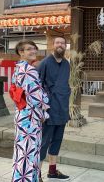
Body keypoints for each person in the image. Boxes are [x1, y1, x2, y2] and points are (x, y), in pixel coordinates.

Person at [11, 40, 49, 182]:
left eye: (34, 48)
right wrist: (45, 110)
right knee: (29, 152)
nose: (33, 51)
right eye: (28, 49)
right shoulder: (28, 69)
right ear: (21, 52)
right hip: (30, 116)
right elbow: (36, 95)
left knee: (22, 152)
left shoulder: (19, 67)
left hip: (22, 113)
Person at [37, 36, 71, 181]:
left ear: (65, 46)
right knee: (44, 142)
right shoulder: (44, 63)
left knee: (57, 140)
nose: (60, 45)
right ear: (53, 45)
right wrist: (41, 108)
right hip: (49, 109)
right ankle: (36, 174)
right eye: (57, 43)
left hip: (62, 108)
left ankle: (52, 171)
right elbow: (37, 87)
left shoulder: (66, 64)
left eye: (62, 43)